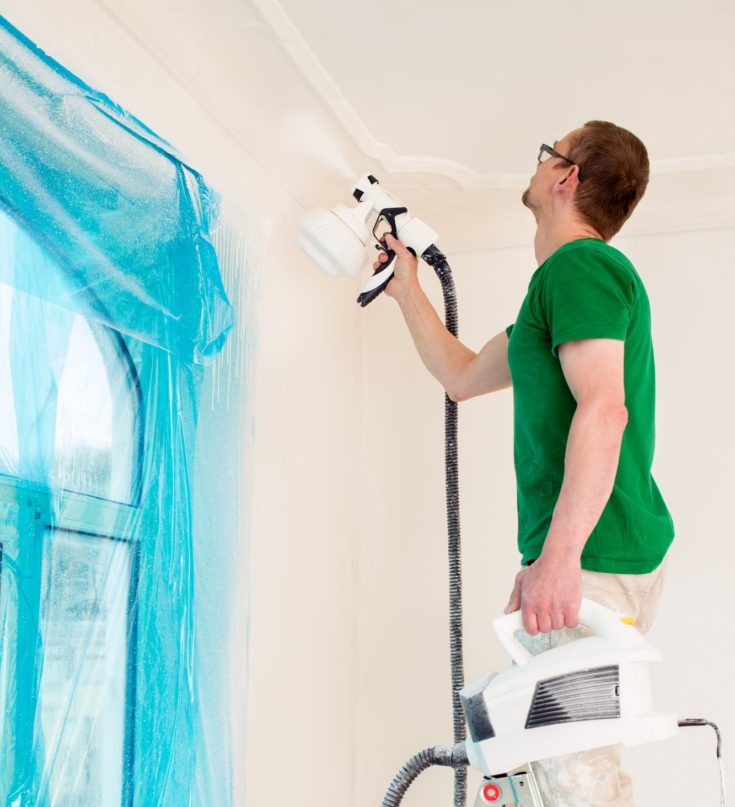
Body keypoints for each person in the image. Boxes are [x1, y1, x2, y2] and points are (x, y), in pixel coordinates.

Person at [376, 121, 674, 806]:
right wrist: (405, 288)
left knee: (572, 772)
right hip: (600, 552)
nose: (537, 166)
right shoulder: (555, 293)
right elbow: (460, 375)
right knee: (557, 766)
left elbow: (604, 410)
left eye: (549, 154)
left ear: (567, 177)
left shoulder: (579, 269)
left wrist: (559, 559)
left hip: (592, 556)